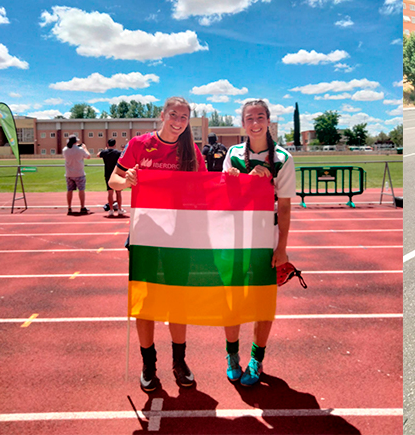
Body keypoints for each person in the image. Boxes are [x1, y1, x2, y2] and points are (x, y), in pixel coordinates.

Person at [109, 96, 207, 392]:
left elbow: (205, 189)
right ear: (162, 115)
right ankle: (148, 364)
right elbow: (113, 180)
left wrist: (234, 178)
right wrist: (128, 181)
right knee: (145, 301)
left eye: (184, 117)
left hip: (179, 236)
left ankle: (179, 361)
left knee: (178, 300)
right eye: (173, 115)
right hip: (145, 234)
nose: (178, 121)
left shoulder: (191, 151)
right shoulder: (139, 144)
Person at [222, 99, 296, 386]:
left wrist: (282, 247)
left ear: (268, 120)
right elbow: (225, 196)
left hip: (267, 236)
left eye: (260, 117)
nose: (255, 123)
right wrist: (236, 179)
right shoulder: (232, 154)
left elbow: (285, 207)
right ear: (243, 123)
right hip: (236, 235)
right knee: (232, 298)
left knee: (263, 301)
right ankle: (232, 355)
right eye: (250, 118)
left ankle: (257, 358)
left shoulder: (283, 158)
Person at [63, 135, 91, 215]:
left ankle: (69, 207)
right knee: (81, 190)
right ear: (76, 141)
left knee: (69, 190)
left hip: (69, 173)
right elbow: (88, 156)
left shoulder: (65, 150)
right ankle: (82, 207)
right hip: (79, 173)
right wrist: (84, 148)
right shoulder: (80, 149)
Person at [99, 139, 124, 217]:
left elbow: (98, 154)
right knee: (118, 192)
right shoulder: (118, 153)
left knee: (110, 193)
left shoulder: (104, 152)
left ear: (107, 144)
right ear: (115, 144)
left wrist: (105, 150)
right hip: (116, 174)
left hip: (108, 174)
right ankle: (119, 209)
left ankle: (111, 210)